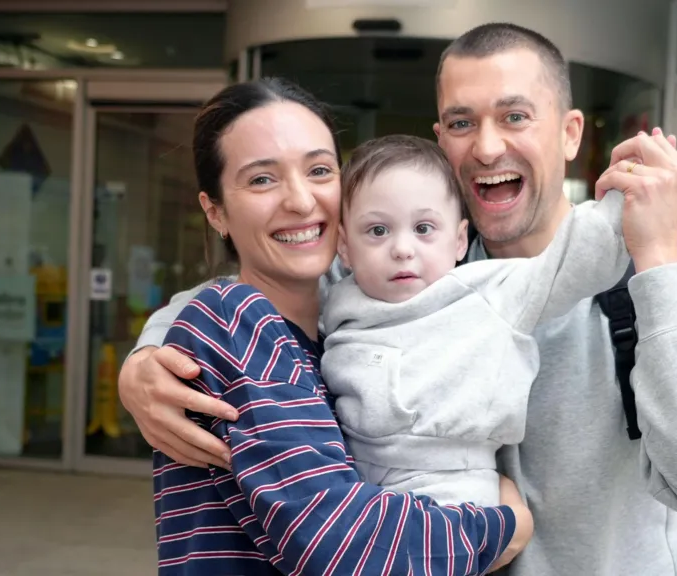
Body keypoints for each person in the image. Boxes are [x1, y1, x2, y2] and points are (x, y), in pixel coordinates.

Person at [121, 23, 677, 575]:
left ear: (571, 133)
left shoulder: (649, 278)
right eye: (463, 122)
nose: (487, 145)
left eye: (515, 116)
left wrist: (659, 258)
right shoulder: (406, 270)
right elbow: (254, 295)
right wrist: (147, 359)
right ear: (442, 141)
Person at [152, 77, 533, 575]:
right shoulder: (234, 322)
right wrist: (506, 523)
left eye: (319, 170)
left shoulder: (336, 330)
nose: (300, 200)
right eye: (262, 179)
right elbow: (346, 549)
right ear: (216, 211)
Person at [322, 134, 629, 507]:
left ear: (459, 240)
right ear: (343, 246)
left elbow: (569, 262)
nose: (402, 249)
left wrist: (624, 196)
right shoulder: (334, 306)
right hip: (355, 487)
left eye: (423, 229)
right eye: (377, 231)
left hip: (453, 489)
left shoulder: (488, 292)